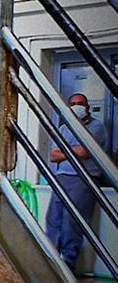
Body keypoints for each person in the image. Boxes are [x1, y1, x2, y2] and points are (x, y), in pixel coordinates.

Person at [46, 93, 109, 268]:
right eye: (73, 103)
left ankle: (68, 265)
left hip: (83, 178)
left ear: (87, 107)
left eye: (80, 103)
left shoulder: (97, 127)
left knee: (71, 222)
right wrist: (73, 151)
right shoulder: (65, 128)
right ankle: (51, 263)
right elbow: (52, 155)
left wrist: (64, 151)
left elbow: (85, 152)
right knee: (53, 219)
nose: (77, 106)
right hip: (62, 177)